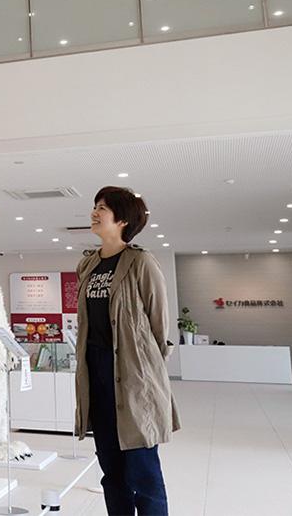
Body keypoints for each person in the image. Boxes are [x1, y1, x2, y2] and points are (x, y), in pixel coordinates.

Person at [74, 186, 179, 516]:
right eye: (95, 205)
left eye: (103, 207)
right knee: (112, 472)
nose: (95, 211)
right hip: (97, 372)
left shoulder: (141, 262)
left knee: (143, 472)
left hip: (135, 376)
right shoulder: (88, 265)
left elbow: (160, 325)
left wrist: (147, 369)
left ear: (122, 219)